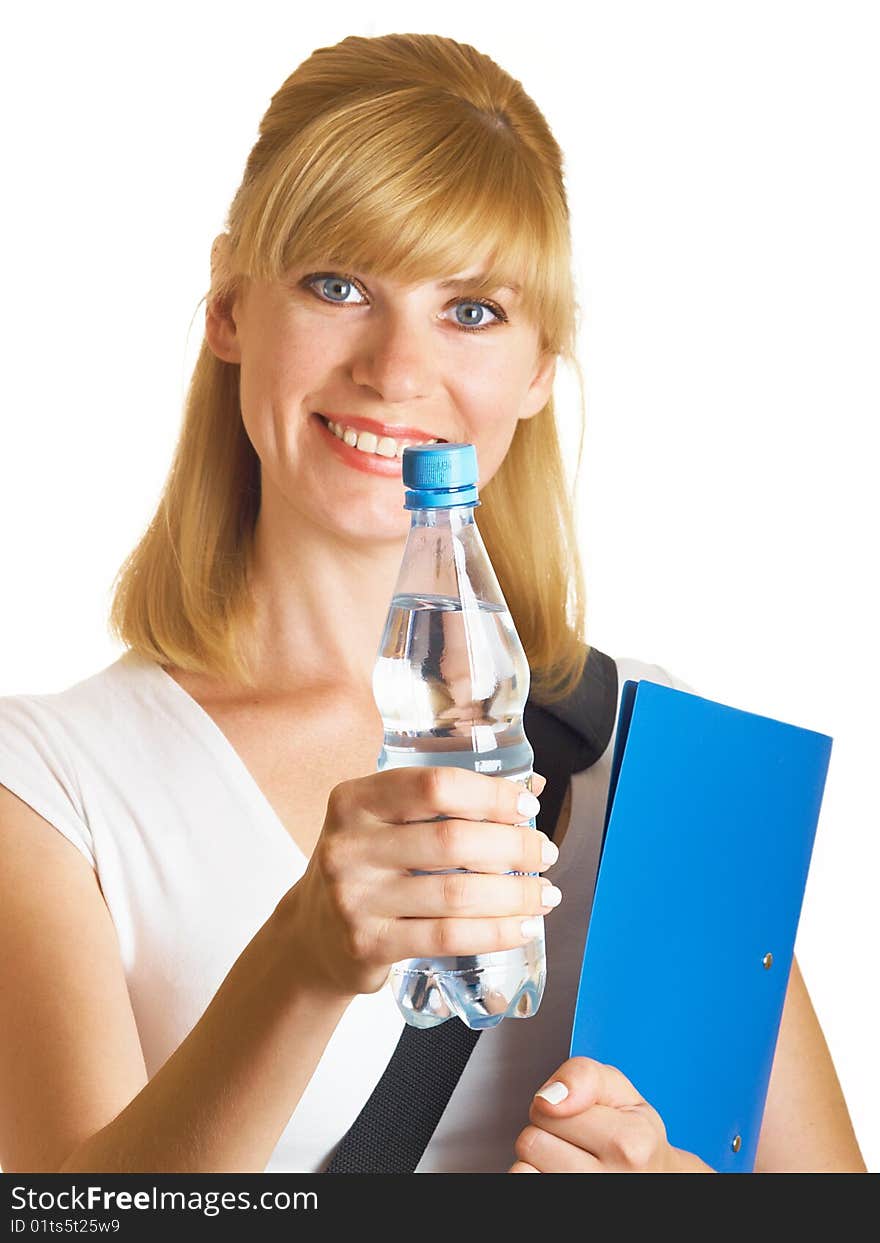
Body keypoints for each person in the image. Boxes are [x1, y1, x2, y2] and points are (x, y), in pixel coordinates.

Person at [0, 32, 866, 1175]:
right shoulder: (51, 787)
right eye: (337, 284)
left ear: (540, 362)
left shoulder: (654, 753)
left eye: (471, 311)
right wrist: (301, 964)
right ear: (226, 307)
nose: (396, 369)